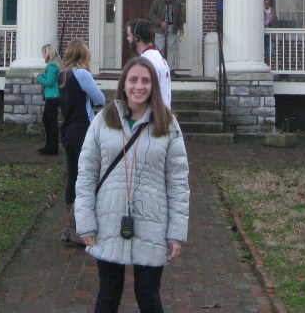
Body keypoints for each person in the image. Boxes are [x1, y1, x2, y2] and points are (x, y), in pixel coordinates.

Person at [75, 56, 190, 313]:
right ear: (123, 85)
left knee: (148, 296)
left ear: (154, 86)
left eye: (146, 81)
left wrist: (176, 231)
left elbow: (178, 181)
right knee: (108, 294)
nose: (139, 86)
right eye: (134, 80)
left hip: (152, 222)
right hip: (108, 220)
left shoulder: (168, 125)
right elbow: (86, 176)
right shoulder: (103, 121)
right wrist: (85, 222)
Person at [59, 39, 106, 245]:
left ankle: (70, 224)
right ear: (83, 55)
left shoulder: (62, 75)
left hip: (68, 131)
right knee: (85, 179)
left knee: (73, 178)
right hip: (83, 132)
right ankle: (73, 227)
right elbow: (100, 100)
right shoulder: (82, 74)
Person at [126, 19, 171, 109]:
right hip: (162, 115)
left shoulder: (146, 61)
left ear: (136, 38)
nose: (127, 39)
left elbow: (143, 93)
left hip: (153, 117)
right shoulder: (158, 57)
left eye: (129, 35)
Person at [34, 43, 61, 155]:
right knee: (48, 121)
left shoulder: (52, 66)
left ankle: (52, 148)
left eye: (44, 53)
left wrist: (38, 77)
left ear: (48, 53)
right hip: (53, 97)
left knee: (50, 122)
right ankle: (49, 145)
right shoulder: (54, 65)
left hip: (52, 97)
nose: (43, 55)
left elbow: (49, 83)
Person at [148, 0, 184, 65]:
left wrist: (181, 27)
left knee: (172, 48)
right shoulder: (157, 1)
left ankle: (170, 69)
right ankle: (160, 66)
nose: (168, 0)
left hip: (172, 27)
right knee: (159, 47)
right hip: (159, 28)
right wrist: (160, 22)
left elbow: (180, 16)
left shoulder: (177, 2)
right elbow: (151, 15)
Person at [263, 0, 275, 64]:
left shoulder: (273, 11)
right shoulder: (260, 10)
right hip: (262, 34)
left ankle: (267, 66)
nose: (266, 5)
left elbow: (274, 20)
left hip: (270, 34)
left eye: (267, 3)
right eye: (265, 3)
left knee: (269, 52)